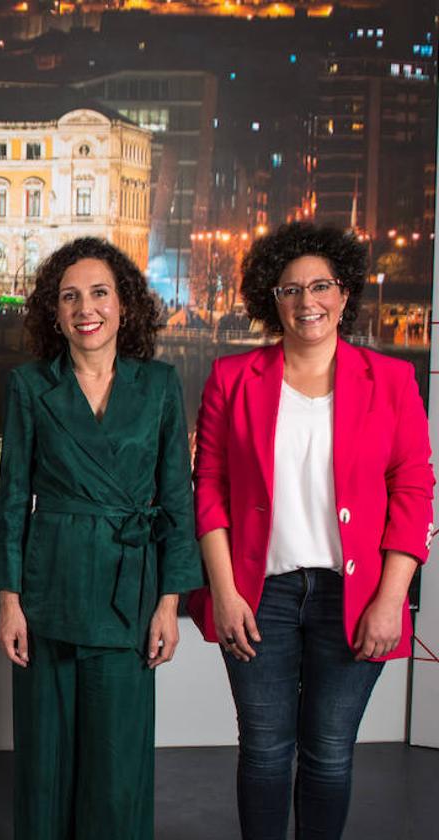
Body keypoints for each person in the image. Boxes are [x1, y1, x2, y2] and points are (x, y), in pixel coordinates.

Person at [189, 222, 434, 840]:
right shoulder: (231, 378)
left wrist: (390, 598)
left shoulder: (393, 381)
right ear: (271, 299)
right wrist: (224, 592)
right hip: (257, 595)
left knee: (329, 752)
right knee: (265, 751)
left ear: (344, 292)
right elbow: (209, 489)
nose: (306, 302)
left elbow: (414, 490)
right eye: (290, 289)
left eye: (320, 286)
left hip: (355, 597)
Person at [0, 237, 202, 840]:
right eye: (70, 296)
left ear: (125, 305)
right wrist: (9, 601)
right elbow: (12, 503)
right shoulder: (31, 386)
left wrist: (169, 602)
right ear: (54, 313)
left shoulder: (160, 385)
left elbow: (176, 501)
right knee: (45, 762)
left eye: (100, 293)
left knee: (117, 764)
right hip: (47, 589)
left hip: (129, 595)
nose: (87, 308)